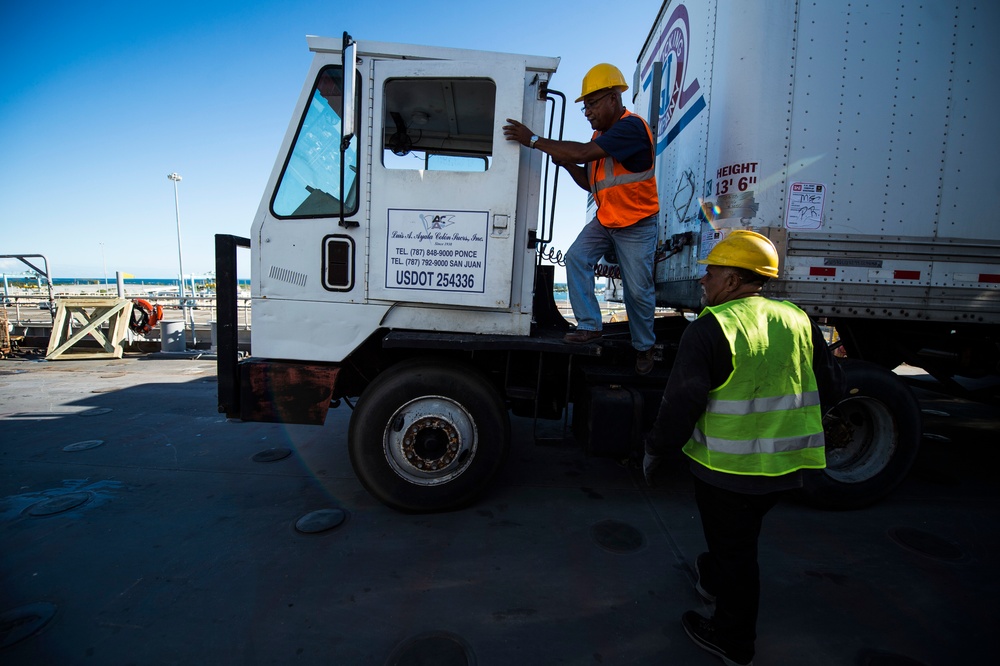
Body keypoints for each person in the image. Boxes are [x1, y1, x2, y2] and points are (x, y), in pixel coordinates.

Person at [642, 230, 844, 666]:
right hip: (788, 468)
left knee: (737, 553)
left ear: (733, 280)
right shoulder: (798, 319)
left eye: (710, 273)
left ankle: (734, 641)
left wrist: (656, 449)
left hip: (727, 471)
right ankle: (711, 577)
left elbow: (681, 403)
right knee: (736, 538)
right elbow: (831, 385)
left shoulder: (711, 328)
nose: (704, 281)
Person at [502, 63, 659, 374]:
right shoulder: (603, 134)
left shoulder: (631, 128)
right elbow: (590, 182)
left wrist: (534, 141)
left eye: (592, 103)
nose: (587, 112)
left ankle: (645, 348)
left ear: (614, 98)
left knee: (637, 290)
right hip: (607, 219)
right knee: (576, 257)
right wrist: (566, 164)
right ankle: (590, 324)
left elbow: (583, 153)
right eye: (585, 106)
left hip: (637, 222)